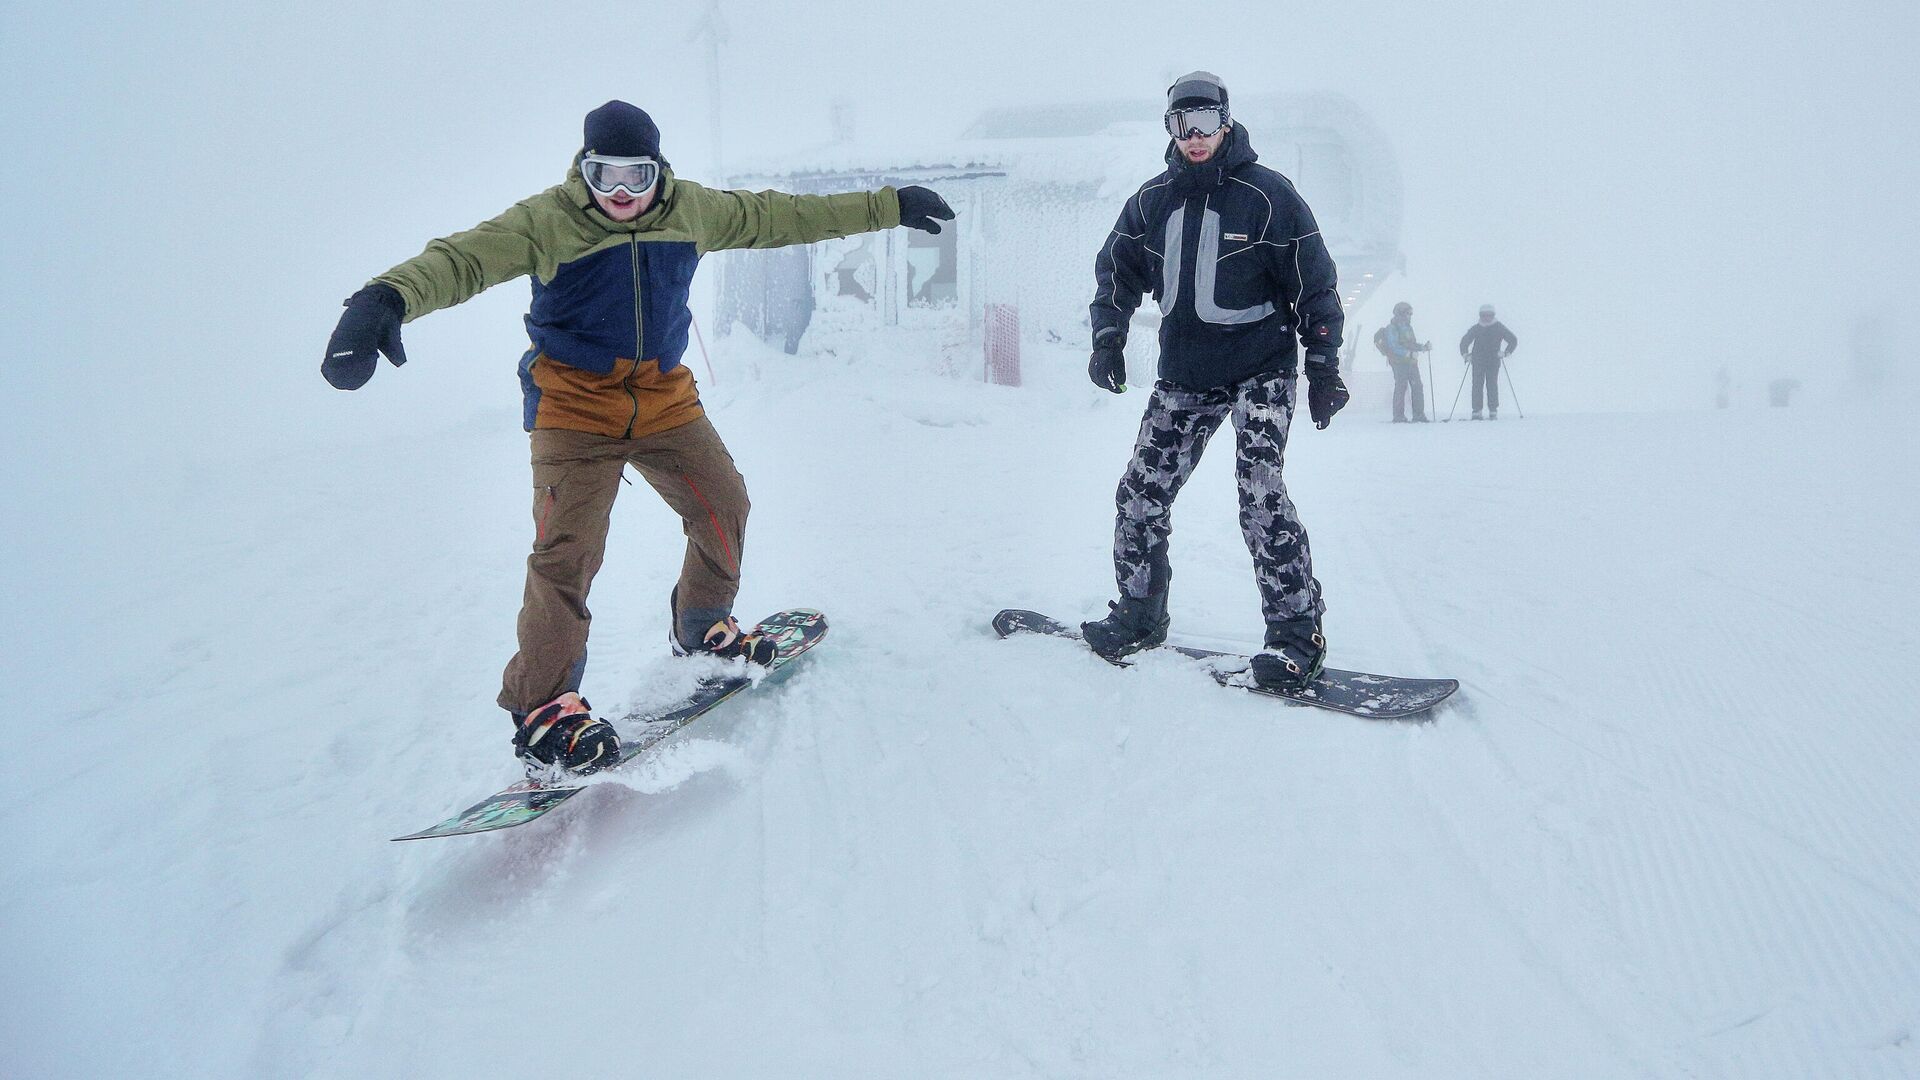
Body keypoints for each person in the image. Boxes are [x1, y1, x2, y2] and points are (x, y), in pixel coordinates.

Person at [322, 100, 953, 776]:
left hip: (660, 396)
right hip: (573, 403)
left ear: (660, 170)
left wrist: (888, 205)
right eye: (603, 174)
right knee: (568, 551)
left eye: (636, 175)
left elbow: (784, 217)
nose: (620, 192)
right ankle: (545, 707)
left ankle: (701, 623)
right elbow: (462, 259)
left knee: (723, 502)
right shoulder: (547, 221)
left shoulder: (694, 211)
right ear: (582, 169)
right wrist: (384, 299)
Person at [1082, 71, 1349, 691]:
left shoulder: (1269, 196)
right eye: (1183, 125)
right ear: (1170, 129)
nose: (1195, 137)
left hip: (1262, 367)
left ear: (1226, 123)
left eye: (1205, 124)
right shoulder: (1151, 202)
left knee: (1261, 494)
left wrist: (1324, 365)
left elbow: (1314, 281)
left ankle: (1294, 638)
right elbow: (1114, 271)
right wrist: (1108, 338)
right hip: (1186, 373)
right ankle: (1139, 614)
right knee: (1138, 497)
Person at [1458, 303, 1518, 419]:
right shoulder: (1476, 328)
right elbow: (1464, 341)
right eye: (1484, 315)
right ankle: (1476, 411)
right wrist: (1465, 354)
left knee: (1492, 385)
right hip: (1478, 360)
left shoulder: (1499, 327)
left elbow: (1513, 340)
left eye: (1489, 315)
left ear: (1493, 315)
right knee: (1477, 385)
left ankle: (1493, 410)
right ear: (1480, 315)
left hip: (1493, 361)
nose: (1486, 317)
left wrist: (1506, 353)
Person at [1383, 301, 1431, 422]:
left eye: (1411, 313)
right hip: (1399, 363)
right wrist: (1408, 353)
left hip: (1411, 362)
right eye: (1408, 313)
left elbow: (1411, 344)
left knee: (1417, 386)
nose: (1410, 316)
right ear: (1401, 313)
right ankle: (1398, 416)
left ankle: (1418, 414)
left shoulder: (1408, 327)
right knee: (1401, 386)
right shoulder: (1392, 328)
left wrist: (1422, 347)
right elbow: (1393, 346)